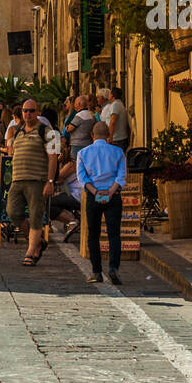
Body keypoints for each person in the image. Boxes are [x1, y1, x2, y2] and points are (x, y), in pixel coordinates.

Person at [0, 99, 57, 264]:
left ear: (38, 112)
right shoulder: (18, 132)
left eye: (31, 111)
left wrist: (50, 181)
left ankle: (30, 252)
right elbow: (12, 153)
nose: (28, 114)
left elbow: (53, 157)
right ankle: (38, 242)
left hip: (37, 180)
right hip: (17, 179)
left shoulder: (47, 131)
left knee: (36, 216)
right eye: (25, 111)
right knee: (12, 212)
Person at [77, 121, 127, 284]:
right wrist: (110, 192)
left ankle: (96, 271)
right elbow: (121, 177)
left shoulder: (83, 153)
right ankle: (113, 268)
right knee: (114, 234)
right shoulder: (118, 152)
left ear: (92, 135)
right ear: (108, 136)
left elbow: (82, 178)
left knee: (93, 234)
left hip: (93, 195)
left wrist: (96, 192)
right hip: (113, 195)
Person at [66, 95, 96, 161]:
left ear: (79, 104)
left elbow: (70, 129)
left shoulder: (79, 116)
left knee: (75, 164)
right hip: (88, 143)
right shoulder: (91, 115)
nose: (74, 105)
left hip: (77, 145)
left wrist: (67, 127)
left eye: (75, 103)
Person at [101, 86, 130, 151]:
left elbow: (113, 121)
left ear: (112, 95)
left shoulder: (115, 104)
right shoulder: (118, 104)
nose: (109, 96)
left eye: (110, 94)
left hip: (116, 139)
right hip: (118, 138)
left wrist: (110, 137)